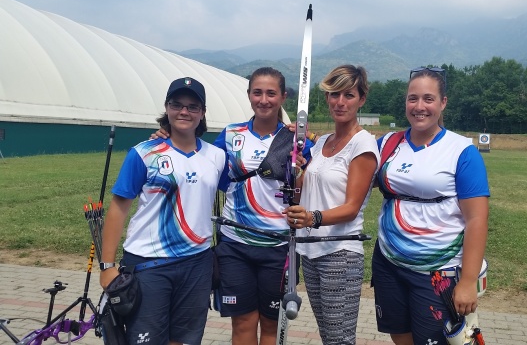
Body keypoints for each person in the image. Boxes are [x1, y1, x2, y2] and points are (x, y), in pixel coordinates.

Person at [154, 67, 313, 345]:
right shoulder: (231, 135)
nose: (264, 99)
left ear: (284, 96)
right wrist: (166, 140)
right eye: (257, 92)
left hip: (278, 247)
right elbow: (200, 163)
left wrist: (299, 170)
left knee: (272, 326)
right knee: (242, 322)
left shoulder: (295, 139)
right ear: (249, 95)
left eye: (271, 93)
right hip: (235, 245)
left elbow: (302, 196)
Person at [100, 77, 227, 345]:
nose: (184, 112)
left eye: (193, 107)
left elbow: (248, 181)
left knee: (183, 340)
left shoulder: (217, 156)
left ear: (202, 113)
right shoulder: (144, 153)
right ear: (166, 108)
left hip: (197, 263)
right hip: (149, 264)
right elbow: (118, 209)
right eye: (177, 104)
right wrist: (107, 266)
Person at [371, 66, 490, 345]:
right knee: (400, 336)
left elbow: (477, 220)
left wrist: (468, 282)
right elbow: (349, 169)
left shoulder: (462, 151)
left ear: (443, 103)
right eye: (413, 98)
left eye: (428, 99)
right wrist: (305, 145)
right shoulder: (388, 143)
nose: (419, 106)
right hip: (389, 263)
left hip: (438, 271)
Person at [284, 64, 380, 345]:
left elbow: (352, 207)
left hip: (340, 254)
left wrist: (311, 218)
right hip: (311, 251)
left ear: (361, 99)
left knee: (339, 339)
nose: (340, 102)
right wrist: (298, 169)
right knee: (328, 336)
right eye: (334, 94)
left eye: (348, 95)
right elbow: (303, 192)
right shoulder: (323, 142)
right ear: (327, 97)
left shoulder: (362, 145)